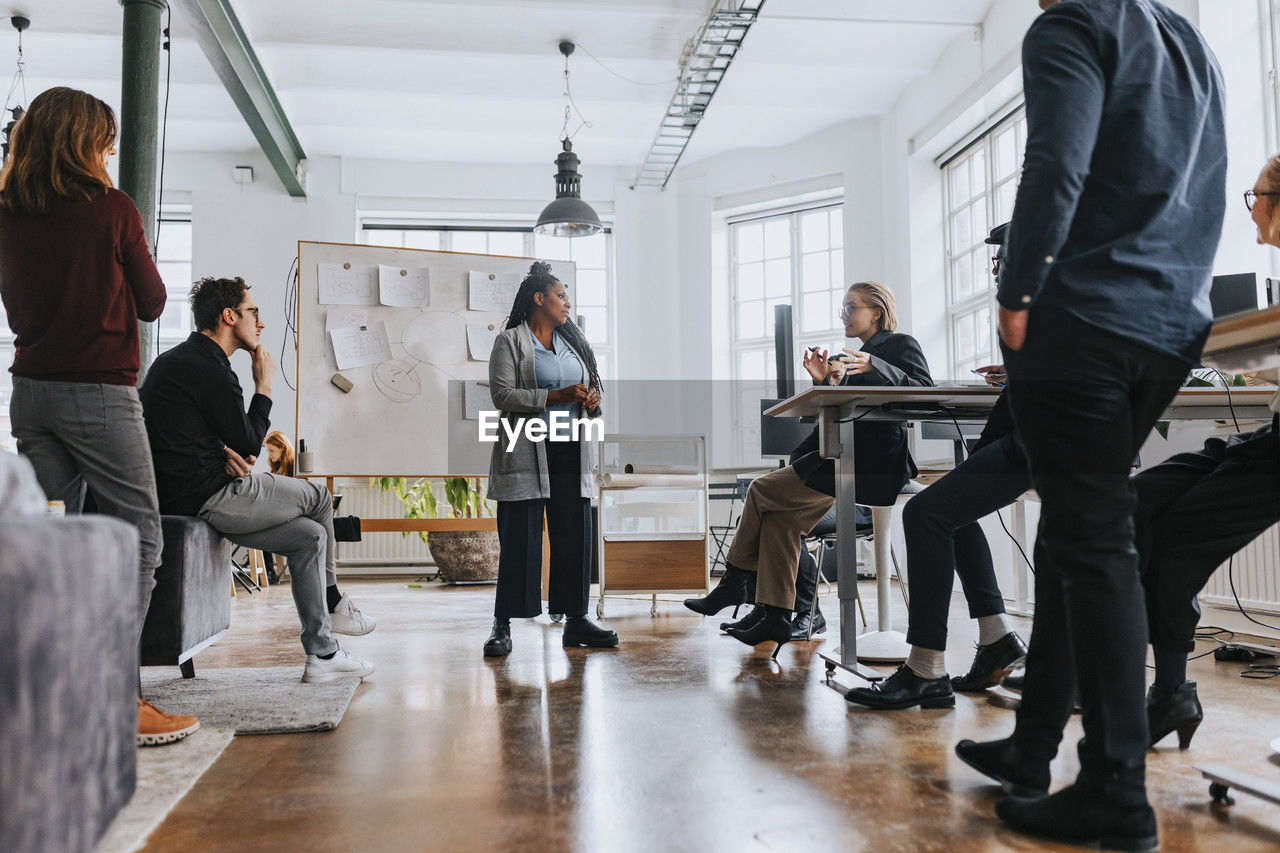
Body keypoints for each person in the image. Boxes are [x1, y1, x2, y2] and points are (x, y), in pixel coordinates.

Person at [954, 1, 1227, 848]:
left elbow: (1054, 159)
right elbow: (1207, 185)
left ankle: (1114, 790)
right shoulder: (1188, 40)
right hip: (1170, 321)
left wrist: (1017, 288)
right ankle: (1034, 750)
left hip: (1085, 321)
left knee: (1094, 545)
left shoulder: (1072, 25)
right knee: (1082, 542)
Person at [0, 86, 198, 745]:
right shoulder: (111, 208)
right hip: (99, 396)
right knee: (140, 537)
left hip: (30, 392)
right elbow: (153, 302)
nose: (111, 150)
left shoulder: (5, 210)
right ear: (85, 143)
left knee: (51, 545)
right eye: (105, 140)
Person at [140, 277, 376, 683]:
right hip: (212, 495)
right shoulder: (212, 368)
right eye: (253, 312)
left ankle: (322, 655)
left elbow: (188, 434)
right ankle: (334, 601)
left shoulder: (178, 361)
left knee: (310, 538)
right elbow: (250, 442)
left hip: (189, 491)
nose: (260, 323)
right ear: (229, 316)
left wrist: (219, 450)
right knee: (319, 497)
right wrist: (263, 385)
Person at [1130, 155, 1280, 750]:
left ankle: (1168, 693)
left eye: (1256, 194)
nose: (1252, 208)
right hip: (1268, 439)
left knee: (1176, 539)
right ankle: (1165, 688)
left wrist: (1197, 338)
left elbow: (1254, 338)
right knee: (1139, 502)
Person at [847, 224, 1029, 711]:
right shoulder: (1038, 303)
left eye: (1001, 258)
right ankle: (996, 638)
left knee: (924, 514)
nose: (993, 269)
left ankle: (926, 669)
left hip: (1040, 436)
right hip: (1018, 426)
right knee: (949, 510)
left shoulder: (1043, 301)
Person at [710, 281, 933, 659]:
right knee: (781, 522)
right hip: (841, 458)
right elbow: (838, 416)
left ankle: (736, 581)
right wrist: (823, 383)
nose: (843, 315)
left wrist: (874, 365)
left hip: (873, 466)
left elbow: (924, 393)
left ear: (875, 312)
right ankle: (776, 616)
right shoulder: (854, 357)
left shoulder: (897, 346)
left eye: (850, 307)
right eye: (842, 308)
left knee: (761, 492)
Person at [483, 261, 617, 657]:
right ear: (539, 298)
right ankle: (502, 623)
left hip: (571, 449)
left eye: (568, 297)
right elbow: (502, 396)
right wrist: (555, 396)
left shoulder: (574, 344)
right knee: (519, 539)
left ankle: (575, 620)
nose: (567, 304)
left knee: (574, 534)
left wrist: (593, 402)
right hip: (526, 449)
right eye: (561, 296)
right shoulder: (509, 342)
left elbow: (591, 392)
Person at [260, 430, 296, 583]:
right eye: (268, 450)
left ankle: (268, 569)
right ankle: (269, 570)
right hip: (279, 511)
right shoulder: (275, 467)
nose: (270, 454)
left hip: (291, 513)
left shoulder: (296, 468)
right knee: (261, 522)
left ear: (282, 447)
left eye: (271, 450)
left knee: (262, 524)